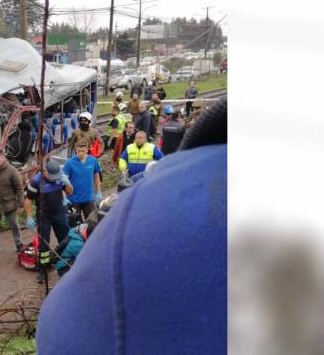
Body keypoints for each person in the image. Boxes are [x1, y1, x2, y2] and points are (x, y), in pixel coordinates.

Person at [37, 97, 228, 354]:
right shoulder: (71, 163)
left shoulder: (135, 209)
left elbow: (62, 334)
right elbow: (118, 156)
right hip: (83, 203)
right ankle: (44, 266)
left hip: (96, 200)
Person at [23, 160, 73, 283]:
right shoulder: (35, 182)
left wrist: (67, 184)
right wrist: (29, 217)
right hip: (44, 215)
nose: (54, 179)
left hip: (59, 211)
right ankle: (42, 269)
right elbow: (28, 200)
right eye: (52, 177)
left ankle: (66, 262)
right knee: (44, 244)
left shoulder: (60, 175)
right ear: (45, 172)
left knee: (65, 238)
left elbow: (69, 192)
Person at [63, 142, 103, 221]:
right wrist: (64, 197)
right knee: (75, 225)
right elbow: (64, 181)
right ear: (75, 150)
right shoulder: (69, 163)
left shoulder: (93, 160)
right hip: (73, 200)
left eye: (83, 151)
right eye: (79, 151)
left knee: (91, 222)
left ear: (87, 150)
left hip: (89, 199)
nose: (81, 153)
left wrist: (99, 191)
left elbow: (96, 175)